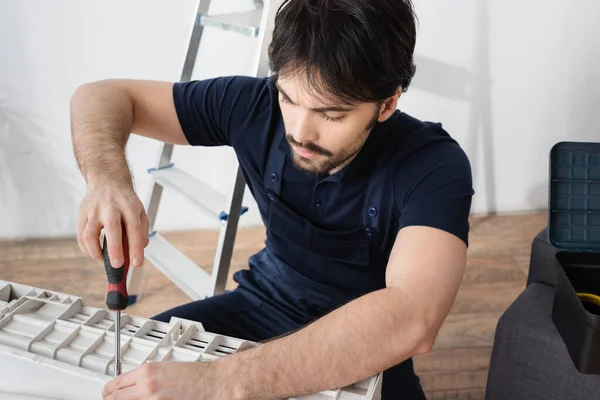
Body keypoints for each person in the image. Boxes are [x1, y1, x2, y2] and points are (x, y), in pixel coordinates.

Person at [70, 0, 474, 398]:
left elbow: (411, 316)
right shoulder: (252, 105)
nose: (299, 131)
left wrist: (221, 382)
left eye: (331, 115)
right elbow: (101, 96)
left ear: (387, 103)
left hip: (369, 345)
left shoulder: (433, 165)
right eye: (288, 98)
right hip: (258, 303)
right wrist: (108, 180)